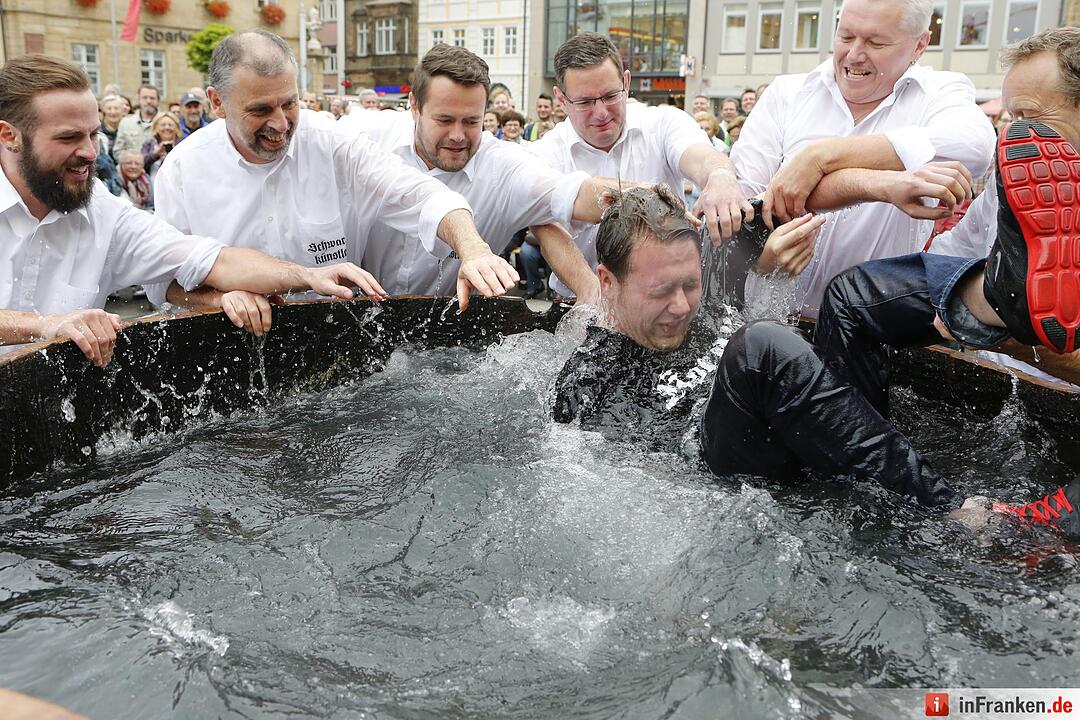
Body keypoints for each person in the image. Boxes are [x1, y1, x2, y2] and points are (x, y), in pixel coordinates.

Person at [553, 185, 1080, 538]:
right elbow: (634, 489)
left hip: (831, 432)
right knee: (761, 349)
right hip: (740, 479)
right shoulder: (591, 378)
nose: (683, 305)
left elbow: (794, 194)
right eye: (661, 292)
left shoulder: (707, 273)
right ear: (608, 282)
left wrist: (889, 187)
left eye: (690, 284)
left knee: (853, 294)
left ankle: (999, 297)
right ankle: (963, 514)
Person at [0, 54, 394, 366]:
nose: (89, 152)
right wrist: (47, 325)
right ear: (9, 135)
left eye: (94, 135)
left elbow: (212, 260)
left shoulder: (102, 210)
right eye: (69, 137)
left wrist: (307, 276)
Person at [150, 30, 517, 329]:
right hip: (228, 346)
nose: (280, 124)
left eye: (290, 104)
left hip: (334, 347)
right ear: (217, 102)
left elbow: (424, 195)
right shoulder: (183, 170)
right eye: (261, 110)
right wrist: (219, 298)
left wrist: (473, 249)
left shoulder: (331, 144)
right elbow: (159, 281)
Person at [821, 27, 1080, 386]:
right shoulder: (1014, 182)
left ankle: (1001, 304)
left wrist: (1008, 337)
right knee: (856, 294)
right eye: (1011, 118)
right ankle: (995, 297)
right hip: (995, 386)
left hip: (1057, 396)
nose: (1015, 135)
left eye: (1030, 116)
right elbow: (948, 258)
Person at [732, 0, 995, 318]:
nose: (854, 54)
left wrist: (823, 156)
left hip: (864, 336)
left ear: (920, 45)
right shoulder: (788, 93)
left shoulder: (939, 93)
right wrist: (761, 258)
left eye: (876, 42)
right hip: (763, 319)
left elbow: (975, 144)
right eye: (845, 36)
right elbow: (744, 199)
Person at [353, 44, 635, 303]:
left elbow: (575, 194)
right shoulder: (366, 138)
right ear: (414, 107)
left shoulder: (503, 167)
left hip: (447, 332)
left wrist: (651, 200)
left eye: (471, 121)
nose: (457, 135)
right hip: (355, 316)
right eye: (445, 120)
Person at [528, 31, 751, 299]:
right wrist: (592, 294)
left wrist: (719, 176)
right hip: (580, 301)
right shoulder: (544, 154)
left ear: (626, 81)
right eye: (585, 102)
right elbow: (546, 229)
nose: (601, 113)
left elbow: (700, 155)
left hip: (669, 299)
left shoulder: (663, 123)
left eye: (611, 95)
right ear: (561, 99)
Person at [112, 84, 159, 161]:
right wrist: (133, 163)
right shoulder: (126, 122)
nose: (148, 101)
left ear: (158, 100)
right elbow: (118, 151)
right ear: (139, 99)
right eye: (145, 98)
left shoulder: (165, 123)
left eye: (152, 98)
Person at [140, 111, 180, 181]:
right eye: (163, 125)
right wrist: (155, 155)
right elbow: (140, 164)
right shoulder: (149, 144)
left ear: (177, 128)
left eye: (170, 125)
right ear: (156, 128)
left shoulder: (182, 144)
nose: (167, 128)